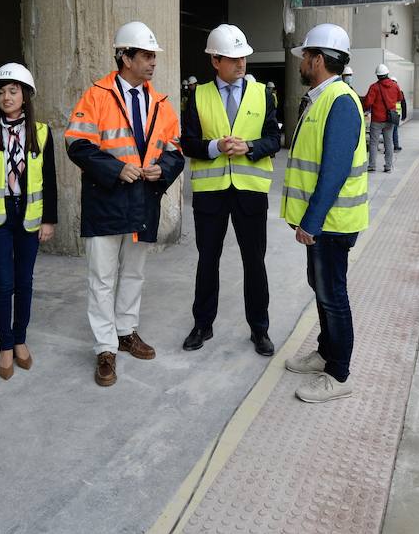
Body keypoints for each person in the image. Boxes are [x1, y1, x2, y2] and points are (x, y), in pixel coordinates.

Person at [65, 21, 184, 387]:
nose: (152, 63)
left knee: (134, 273)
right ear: (125, 57)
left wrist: (159, 170)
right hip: (106, 201)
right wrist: (118, 170)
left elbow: (175, 151)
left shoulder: (160, 104)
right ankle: (105, 347)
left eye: (153, 56)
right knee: (102, 278)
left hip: (142, 200)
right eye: (146, 56)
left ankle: (125, 331)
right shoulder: (96, 96)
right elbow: (77, 145)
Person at [281, 23, 369, 404]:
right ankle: (325, 352)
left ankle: (340, 372)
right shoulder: (323, 98)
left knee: (333, 295)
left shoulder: (341, 101)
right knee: (321, 289)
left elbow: (333, 172)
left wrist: (311, 222)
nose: (301, 63)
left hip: (332, 224)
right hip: (322, 223)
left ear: (317, 60)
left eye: (304, 56)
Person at [180, 24, 279, 356]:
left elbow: (274, 139)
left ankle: (260, 329)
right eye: (234, 59)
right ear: (215, 61)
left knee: (255, 262)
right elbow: (189, 143)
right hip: (211, 193)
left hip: (250, 191)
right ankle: (202, 325)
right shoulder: (197, 95)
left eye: (244, 58)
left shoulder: (263, 94)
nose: (241, 65)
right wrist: (215, 146)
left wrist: (249, 146)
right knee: (208, 259)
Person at [0, 63, 58, 379]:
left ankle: (20, 340)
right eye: (2, 91)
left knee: (24, 282)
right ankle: (5, 343)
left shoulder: (41, 132)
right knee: (3, 283)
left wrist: (49, 219)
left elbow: (50, 179)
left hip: (28, 216)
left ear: (25, 95)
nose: (6, 97)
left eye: (13, 90)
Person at [362, 64, 403, 174]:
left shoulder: (374, 87)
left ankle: (372, 166)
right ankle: (388, 166)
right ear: (387, 73)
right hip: (389, 120)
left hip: (377, 120)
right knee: (388, 143)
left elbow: (368, 103)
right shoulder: (395, 86)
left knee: (374, 143)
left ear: (378, 76)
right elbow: (400, 98)